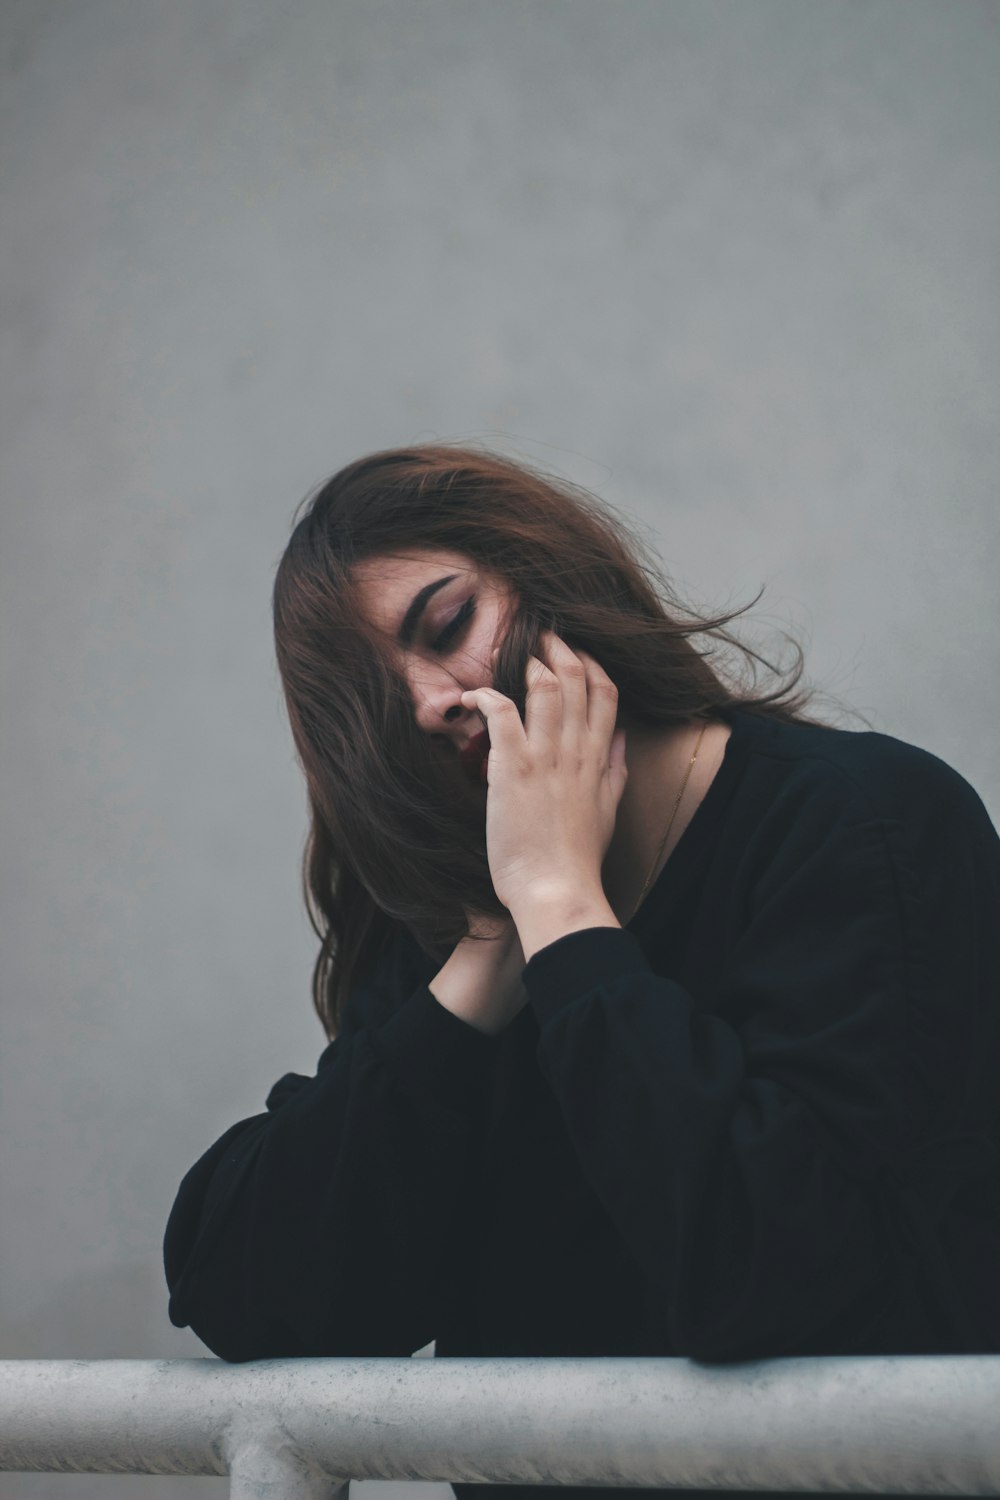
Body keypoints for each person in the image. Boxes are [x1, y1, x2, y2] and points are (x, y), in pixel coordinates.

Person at [164, 444, 1000, 1495]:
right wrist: (486, 958)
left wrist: (566, 913)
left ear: (545, 571)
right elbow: (243, 1294)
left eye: (449, 624)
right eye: (381, 702)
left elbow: (774, 1279)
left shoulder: (863, 823)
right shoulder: (446, 933)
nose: (431, 701)